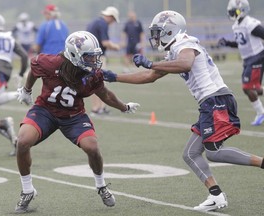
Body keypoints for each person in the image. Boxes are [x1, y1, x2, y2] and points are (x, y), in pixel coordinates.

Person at [102, 10, 264, 212]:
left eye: (158, 32)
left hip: (216, 99)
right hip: (210, 103)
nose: (155, 37)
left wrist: (152, 62)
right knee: (191, 153)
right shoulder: (174, 50)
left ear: (170, 31)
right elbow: (149, 76)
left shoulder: (184, 44)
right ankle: (216, 195)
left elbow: (186, 64)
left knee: (212, 153)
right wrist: (115, 77)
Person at [14, 31, 140, 213]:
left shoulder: (92, 74)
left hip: (74, 116)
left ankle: (101, 185)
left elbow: (104, 94)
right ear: (74, 55)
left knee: (93, 148)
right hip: (45, 111)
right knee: (23, 142)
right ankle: (27, 190)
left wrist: (123, 107)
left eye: (94, 56)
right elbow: (34, 69)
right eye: (89, 57)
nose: (94, 61)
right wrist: (26, 90)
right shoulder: (50, 63)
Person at [218, 0, 264, 126]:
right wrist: (227, 43)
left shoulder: (250, 23)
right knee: (256, 89)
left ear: (241, 10)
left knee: (247, 87)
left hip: (256, 57)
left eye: (234, 11)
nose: (231, 13)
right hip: (248, 59)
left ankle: (261, 113)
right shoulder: (237, 25)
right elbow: (241, 43)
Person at [87, 6, 121, 116]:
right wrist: (116, 47)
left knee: (98, 81)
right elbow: (106, 42)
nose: (113, 22)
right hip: (97, 57)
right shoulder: (103, 24)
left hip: (89, 56)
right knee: (98, 82)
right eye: (114, 19)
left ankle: (101, 107)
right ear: (111, 17)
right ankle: (96, 108)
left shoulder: (95, 22)